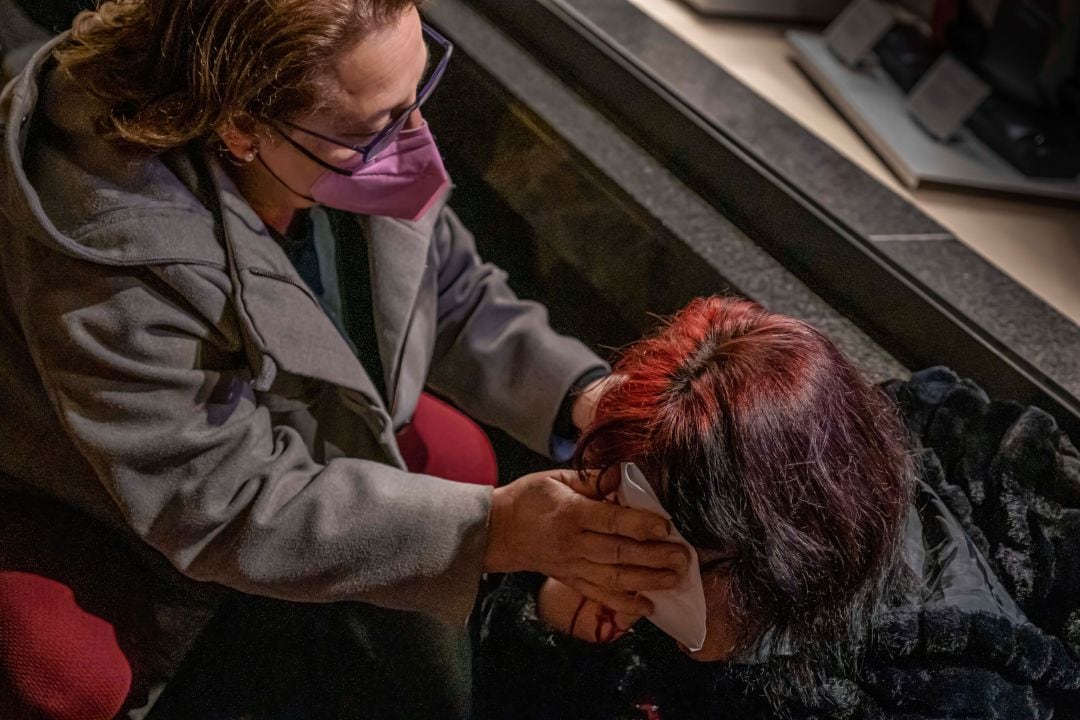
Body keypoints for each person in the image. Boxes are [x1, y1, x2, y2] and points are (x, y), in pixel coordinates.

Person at [0, 1, 693, 717]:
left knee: (453, 463)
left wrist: (582, 396)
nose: (418, 141)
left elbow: (448, 289)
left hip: (283, 433)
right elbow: (222, 501)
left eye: (419, 91)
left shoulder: (339, 136)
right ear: (240, 125)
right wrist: (500, 530)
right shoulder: (106, 260)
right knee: (64, 673)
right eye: (376, 128)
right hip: (103, 491)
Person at [472, 297, 1080, 719]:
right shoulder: (823, 460)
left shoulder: (930, 693)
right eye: (613, 503)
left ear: (773, 562)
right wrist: (551, 625)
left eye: (655, 545)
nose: (615, 546)